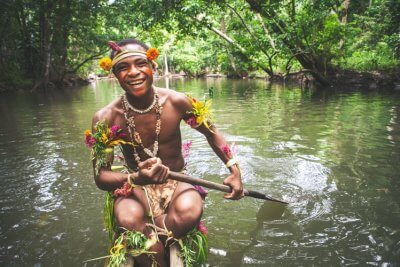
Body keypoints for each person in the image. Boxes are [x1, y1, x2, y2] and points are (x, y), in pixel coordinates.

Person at [91, 38, 243, 267]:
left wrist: (234, 169)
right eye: (123, 67)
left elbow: (212, 133)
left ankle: (156, 236)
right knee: (127, 218)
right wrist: (135, 178)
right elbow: (101, 177)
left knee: (190, 211)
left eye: (140, 63)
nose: (133, 73)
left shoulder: (177, 102)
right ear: (113, 74)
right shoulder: (106, 118)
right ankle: (156, 242)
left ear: (153, 67)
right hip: (135, 184)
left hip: (176, 179)